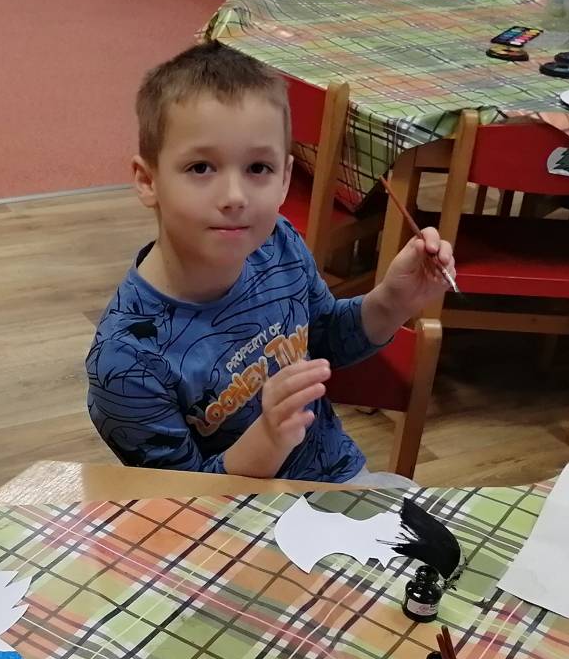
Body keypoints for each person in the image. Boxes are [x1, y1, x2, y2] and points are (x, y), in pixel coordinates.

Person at [86, 41, 455, 485]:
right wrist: (268, 439)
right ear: (148, 181)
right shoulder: (127, 360)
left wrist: (394, 300)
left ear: (285, 179)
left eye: (258, 168)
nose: (235, 197)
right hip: (229, 521)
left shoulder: (278, 243)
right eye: (201, 168)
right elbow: (182, 501)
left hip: (337, 482)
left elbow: (326, 338)